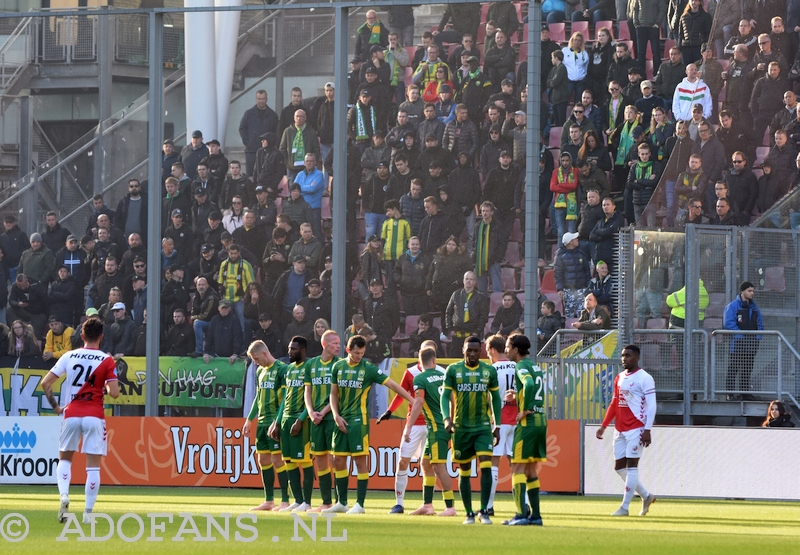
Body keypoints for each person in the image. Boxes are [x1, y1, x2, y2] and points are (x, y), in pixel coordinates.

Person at [40, 318, 120, 524]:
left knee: (65, 460)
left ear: (82, 336)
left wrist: (57, 407)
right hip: (94, 415)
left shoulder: (69, 355)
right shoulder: (107, 360)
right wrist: (106, 382)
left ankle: (64, 496)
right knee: (92, 467)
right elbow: (115, 393)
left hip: (72, 413)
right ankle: (87, 513)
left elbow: (46, 383)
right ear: (101, 337)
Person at [323, 335, 413, 514]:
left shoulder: (368, 369)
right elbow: (334, 394)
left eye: (362, 353)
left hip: (359, 421)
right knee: (338, 460)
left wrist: (412, 399)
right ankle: (342, 502)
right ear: (348, 350)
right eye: (356, 353)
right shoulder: (337, 367)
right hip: (340, 419)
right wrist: (335, 416)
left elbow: (393, 386)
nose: (359, 356)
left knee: (360, 461)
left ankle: (360, 504)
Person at [376, 339, 444, 515]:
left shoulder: (442, 373)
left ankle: (427, 505)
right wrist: (390, 410)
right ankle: (399, 503)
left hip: (432, 424)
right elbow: (401, 393)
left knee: (428, 465)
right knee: (403, 461)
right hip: (414, 424)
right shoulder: (411, 372)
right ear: (419, 353)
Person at [441, 335, 501, 525]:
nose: (473, 354)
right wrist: (447, 419)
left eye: (476, 351)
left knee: (486, 465)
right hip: (461, 428)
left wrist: (497, 425)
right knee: (464, 470)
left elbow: (496, 399)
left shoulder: (489, 371)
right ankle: (468, 513)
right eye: (470, 350)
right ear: (463, 350)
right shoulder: (453, 370)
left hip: (482, 427)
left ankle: (483, 511)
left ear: (481, 351)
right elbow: (444, 396)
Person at [596, 344, 658, 517]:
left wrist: (647, 429)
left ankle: (624, 508)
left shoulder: (645, 378)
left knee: (632, 467)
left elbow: (652, 406)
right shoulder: (619, 377)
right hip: (620, 429)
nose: (624, 358)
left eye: (628, 355)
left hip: (636, 428)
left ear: (637, 357)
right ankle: (646, 496)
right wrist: (603, 425)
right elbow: (614, 403)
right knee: (619, 468)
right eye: (623, 355)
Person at [400, 344, 457, 516]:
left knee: (439, 466)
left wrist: (408, 427)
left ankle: (450, 507)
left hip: (435, 428)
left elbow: (418, 402)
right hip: (444, 426)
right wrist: (452, 420)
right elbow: (453, 399)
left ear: (420, 361)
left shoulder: (420, 379)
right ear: (435, 360)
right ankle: (427, 505)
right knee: (425, 463)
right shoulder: (443, 375)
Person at [502, 334, 547, 526]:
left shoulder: (520, 366)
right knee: (530, 471)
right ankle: (535, 516)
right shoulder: (534, 366)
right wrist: (518, 394)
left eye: (507, 346)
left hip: (527, 423)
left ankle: (520, 514)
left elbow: (528, 384)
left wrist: (525, 409)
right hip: (541, 420)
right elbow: (532, 386)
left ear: (515, 349)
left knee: (517, 468)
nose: (506, 350)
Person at [242, 340, 291, 511]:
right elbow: (258, 396)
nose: (255, 362)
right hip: (262, 422)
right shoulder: (260, 371)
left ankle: (285, 500)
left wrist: (277, 422)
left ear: (264, 353)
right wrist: (249, 418)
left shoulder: (282, 369)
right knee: (262, 459)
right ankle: (269, 500)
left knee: (278, 459)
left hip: (274, 422)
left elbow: (286, 398)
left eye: (256, 358)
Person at [301, 330, 341, 512]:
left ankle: (341, 501)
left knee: (337, 459)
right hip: (316, 419)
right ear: (324, 344)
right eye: (335, 343)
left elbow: (338, 394)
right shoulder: (311, 364)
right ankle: (326, 502)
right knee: (321, 460)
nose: (338, 346)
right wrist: (310, 412)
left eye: (339, 343)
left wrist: (323, 412)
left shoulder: (340, 365)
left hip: (332, 418)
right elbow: (307, 391)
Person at [484, 334, 518, 517]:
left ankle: (488, 506)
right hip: (517, 419)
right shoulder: (517, 366)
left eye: (488, 351)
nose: (487, 355)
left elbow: (489, 397)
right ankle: (524, 505)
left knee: (493, 463)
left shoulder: (492, 369)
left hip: (499, 421)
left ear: (493, 350)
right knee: (516, 465)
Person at [723, 281, 764, 401]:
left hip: (751, 344)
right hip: (737, 344)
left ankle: (745, 393)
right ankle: (729, 394)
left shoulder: (755, 308)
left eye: (753, 291)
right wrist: (740, 336)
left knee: (747, 368)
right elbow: (728, 323)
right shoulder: (732, 306)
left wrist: (757, 337)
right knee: (734, 368)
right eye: (749, 291)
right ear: (742, 291)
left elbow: (760, 324)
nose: (752, 293)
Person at [445, 271, 490, 355]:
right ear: (463, 280)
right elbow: (448, 312)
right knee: (456, 361)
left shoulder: (480, 297)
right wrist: (450, 329)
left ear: (475, 282)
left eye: (471, 279)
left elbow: (483, 316)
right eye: (466, 279)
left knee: (471, 360)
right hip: (457, 335)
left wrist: (477, 331)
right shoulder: (456, 294)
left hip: (472, 335)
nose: (468, 281)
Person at [239, 90, 279, 177]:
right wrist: (248, 142)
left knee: (266, 176)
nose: (261, 101)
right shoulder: (248, 114)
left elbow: (276, 132)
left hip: (268, 152)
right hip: (251, 151)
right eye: (259, 99)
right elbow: (242, 128)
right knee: (251, 177)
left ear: (267, 99)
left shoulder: (273, 115)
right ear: (256, 99)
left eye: (263, 99)